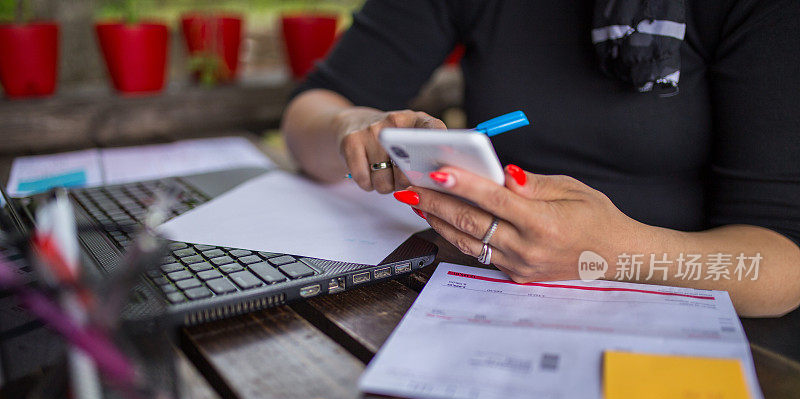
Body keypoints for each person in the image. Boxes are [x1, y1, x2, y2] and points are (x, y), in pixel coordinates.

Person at [281, 0, 800, 317]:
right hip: (482, 305)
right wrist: (352, 128)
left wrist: (610, 253)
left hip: (695, 335)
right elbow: (310, 111)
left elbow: (783, 266)